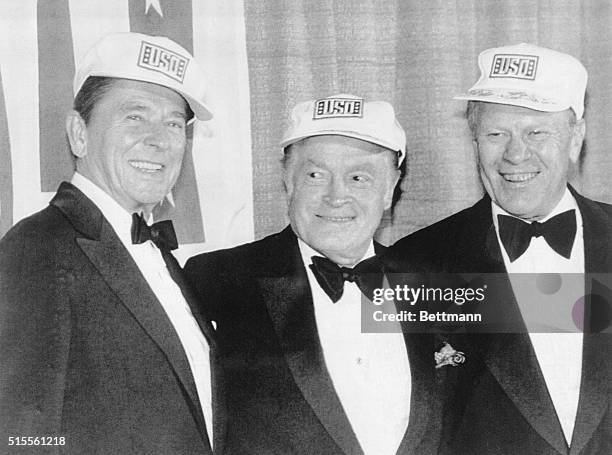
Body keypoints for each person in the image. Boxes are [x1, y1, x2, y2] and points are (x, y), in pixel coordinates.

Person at [184, 94, 454, 455]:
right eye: (315, 175)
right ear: (288, 180)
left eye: (359, 177)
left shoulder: (433, 284)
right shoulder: (218, 280)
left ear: (390, 190)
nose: (336, 196)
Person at [0, 32, 222, 454]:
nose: (159, 139)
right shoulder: (35, 251)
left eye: (174, 123)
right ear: (78, 134)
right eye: (134, 117)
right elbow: (15, 436)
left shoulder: (157, 254)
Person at [390, 43, 612, 454]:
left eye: (536, 132)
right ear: (474, 142)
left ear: (575, 139)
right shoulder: (412, 265)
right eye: (495, 134)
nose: (514, 154)